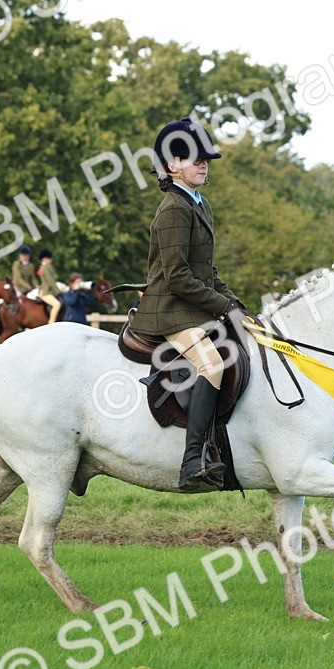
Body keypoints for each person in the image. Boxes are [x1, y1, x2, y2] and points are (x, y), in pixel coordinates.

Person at [130, 117, 247, 489]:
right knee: (211, 365)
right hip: (168, 309)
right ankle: (192, 460)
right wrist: (221, 307)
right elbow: (178, 276)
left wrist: (236, 305)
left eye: (205, 158)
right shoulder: (173, 210)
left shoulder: (201, 204)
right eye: (193, 158)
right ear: (170, 166)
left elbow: (207, 271)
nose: (203, 163)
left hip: (191, 306)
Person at [37, 250, 63, 324]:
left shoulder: (47, 267)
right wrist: (58, 291)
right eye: (49, 258)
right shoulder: (45, 268)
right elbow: (50, 281)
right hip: (46, 292)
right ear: (44, 259)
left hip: (49, 291)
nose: (51, 260)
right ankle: (51, 323)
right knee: (57, 304)